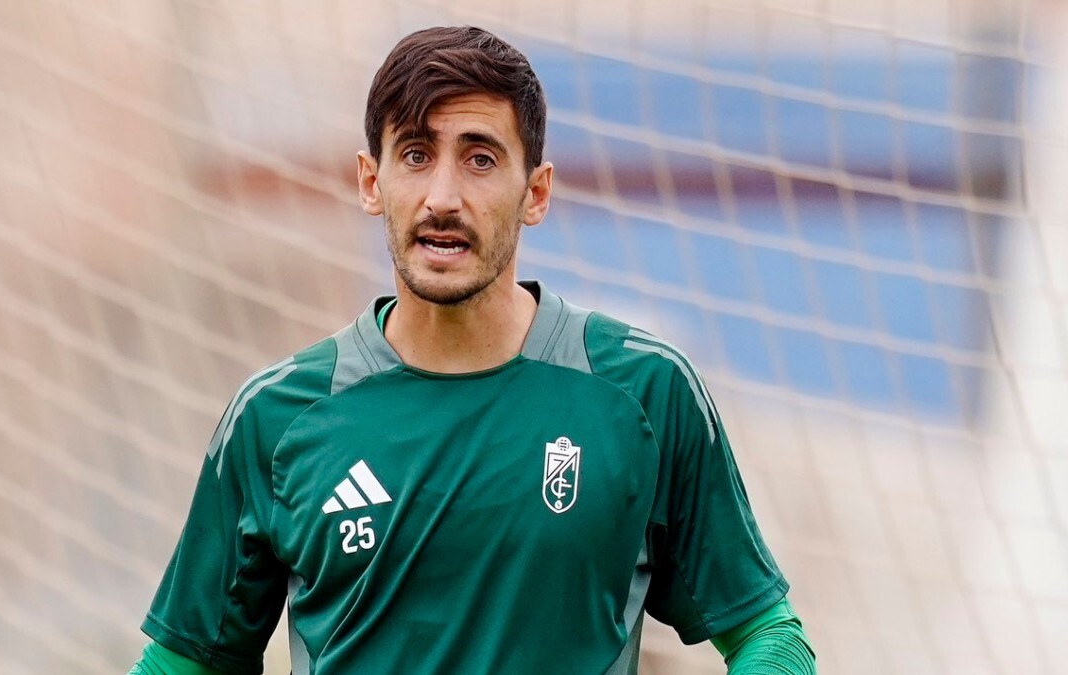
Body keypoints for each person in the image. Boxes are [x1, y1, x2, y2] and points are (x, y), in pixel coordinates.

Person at [130, 25, 816, 675]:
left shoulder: (643, 391)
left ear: (535, 192)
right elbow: (183, 661)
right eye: (417, 155)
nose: (443, 196)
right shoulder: (276, 417)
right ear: (373, 182)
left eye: (480, 158)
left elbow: (766, 632)